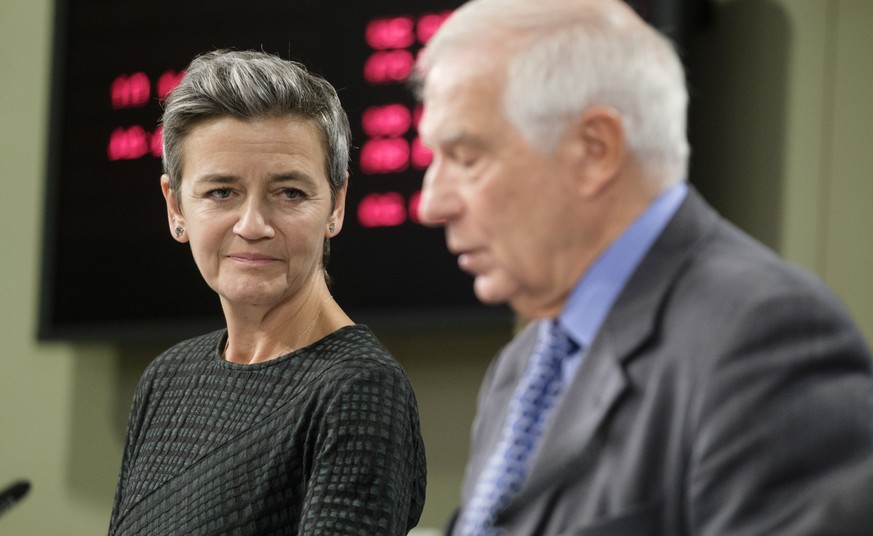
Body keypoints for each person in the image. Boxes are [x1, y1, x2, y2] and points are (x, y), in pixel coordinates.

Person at [412, 0, 873, 534]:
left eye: (466, 158)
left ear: (595, 150)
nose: (431, 203)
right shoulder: (521, 367)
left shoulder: (765, 335)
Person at [109, 49, 426, 535]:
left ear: (336, 206)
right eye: (222, 192)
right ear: (175, 207)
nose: (253, 225)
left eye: (290, 193)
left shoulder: (359, 391)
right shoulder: (166, 380)